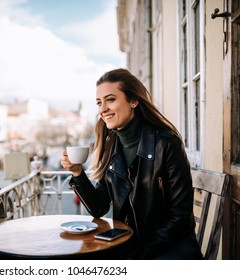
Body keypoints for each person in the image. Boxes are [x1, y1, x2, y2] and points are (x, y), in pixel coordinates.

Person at [60, 68, 203, 260]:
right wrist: (77, 173)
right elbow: (99, 207)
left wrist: (137, 254)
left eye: (110, 100)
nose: (102, 109)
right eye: (99, 102)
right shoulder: (111, 147)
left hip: (168, 248)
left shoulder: (166, 143)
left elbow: (179, 216)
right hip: (129, 244)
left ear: (133, 101)